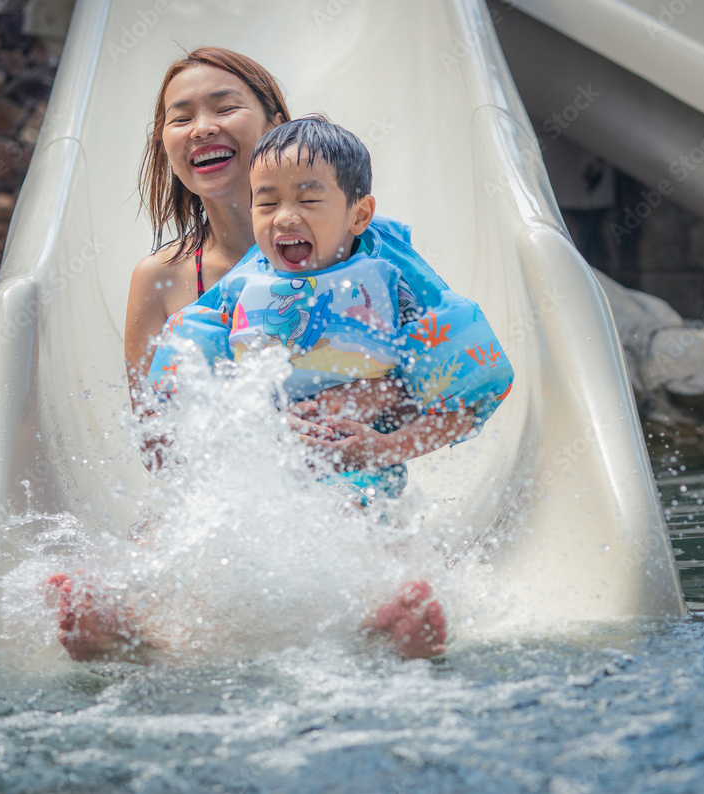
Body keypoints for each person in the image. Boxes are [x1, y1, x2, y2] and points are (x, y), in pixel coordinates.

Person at [52, 51, 509, 662]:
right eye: (179, 116)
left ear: (275, 126)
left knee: (365, 521)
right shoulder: (162, 280)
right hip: (233, 484)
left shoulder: (372, 258)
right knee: (173, 531)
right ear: (165, 144)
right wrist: (254, 425)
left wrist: (377, 401)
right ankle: (139, 635)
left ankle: (382, 621)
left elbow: (453, 360)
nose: (202, 127)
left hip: (353, 471)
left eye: (224, 106)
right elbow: (162, 445)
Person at [147, 116, 514, 504]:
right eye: (267, 203)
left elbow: (471, 392)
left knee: (354, 518)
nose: (285, 217)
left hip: (358, 482)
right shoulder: (239, 289)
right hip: (258, 482)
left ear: (359, 215)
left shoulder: (391, 278)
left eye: (307, 200)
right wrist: (258, 424)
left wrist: (383, 448)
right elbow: (181, 402)